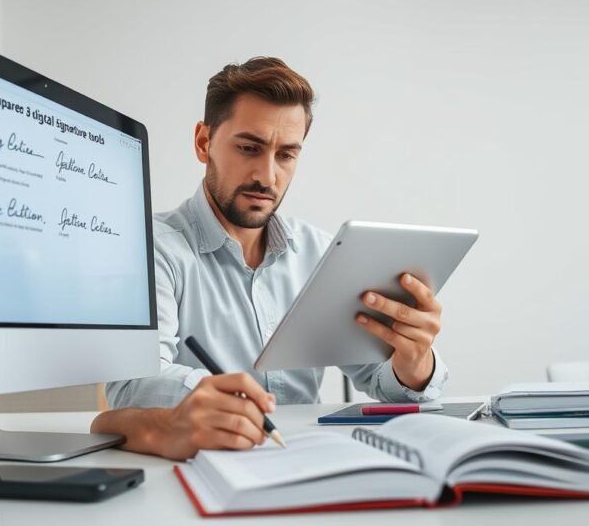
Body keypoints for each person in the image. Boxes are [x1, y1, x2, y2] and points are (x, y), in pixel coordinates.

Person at [91, 57, 447, 460]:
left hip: (307, 459)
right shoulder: (150, 246)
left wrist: (414, 360)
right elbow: (131, 385)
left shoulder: (322, 253)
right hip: (199, 468)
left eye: (286, 155)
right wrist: (210, 394)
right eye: (249, 148)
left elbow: (380, 380)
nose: (268, 176)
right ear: (203, 143)